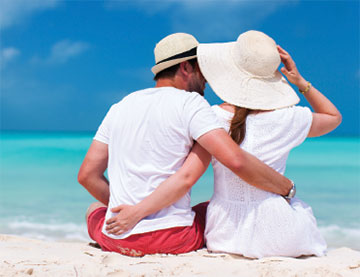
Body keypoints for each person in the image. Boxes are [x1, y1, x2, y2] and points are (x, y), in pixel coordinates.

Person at [78, 33, 294, 257]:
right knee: (217, 207)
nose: (207, 79)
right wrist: (286, 188)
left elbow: (87, 176)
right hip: (175, 239)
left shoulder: (119, 107)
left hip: (117, 239)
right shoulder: (192, 104)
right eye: (203, 69)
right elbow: (236, 161)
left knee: (94, 209)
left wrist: (129, 212)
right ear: (185, 67)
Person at [192, 30, 341, 258]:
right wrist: (300, 81)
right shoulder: (288, 119)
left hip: (225, 232)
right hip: (281, 233)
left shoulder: (210, 118)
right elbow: (333, 117)